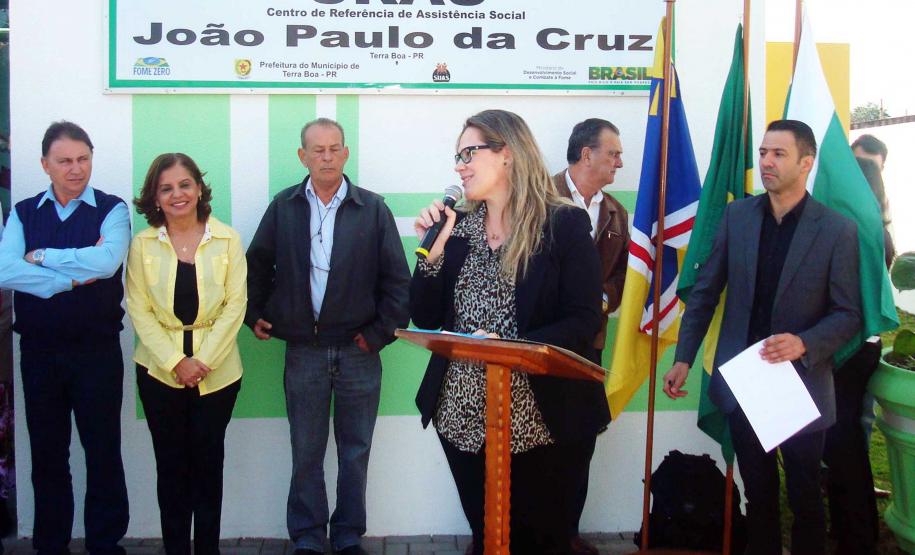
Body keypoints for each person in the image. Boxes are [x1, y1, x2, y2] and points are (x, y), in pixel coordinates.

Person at [411, 109, 609, 555]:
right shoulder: (456, 227)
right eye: (457, 155)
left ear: (508, 154)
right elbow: (424, 316)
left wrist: (512, 348)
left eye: (469, 152)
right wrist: (432, 252)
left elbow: (583, 320)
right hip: (462, 417)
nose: (459, 165)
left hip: (544, 419)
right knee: (488, 538)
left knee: (542, 541)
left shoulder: (563, 225)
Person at [662, 119, 862, 555]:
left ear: (806, 163)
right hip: (745, 384)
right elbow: (706, 292)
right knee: (760, 496)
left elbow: (850, 314)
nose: (766, 162)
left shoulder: (837, 230)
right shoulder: (738, 216)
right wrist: (684, 357)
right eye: (763, 152)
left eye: (779, 154)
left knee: (807, 499)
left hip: (802, 386)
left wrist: (805, 342)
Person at [246, 118, 410, 555]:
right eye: (317, 150)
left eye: (334, 148)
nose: (326, 157)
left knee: (355, 451)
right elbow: (256, 266)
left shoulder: (373, 209)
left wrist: (377, 336)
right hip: (304, 350)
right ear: (302, 156)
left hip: (359, 350)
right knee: (306, 451)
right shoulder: (283, 207)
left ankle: (349, 534)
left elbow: (398, 282)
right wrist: (253, 313)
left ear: (346, 153)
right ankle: (307, 536)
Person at [0, 121, 130, 554]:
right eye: (65, 161)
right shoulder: (23, 212)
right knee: (48, 455)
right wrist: (71, 280)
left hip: (97, 351)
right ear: (45, 165)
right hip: (38, 352)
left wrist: (42, 259)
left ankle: (104, 544)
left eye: (83, 159)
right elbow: (7, 271)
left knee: (103, 452)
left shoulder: (112, 210)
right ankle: (51, 544)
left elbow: (108, 262)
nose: (76, 169)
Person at [126, 153, 246, 555]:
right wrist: (177, 362)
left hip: (219, 374)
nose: (177, 194)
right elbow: (139, 310)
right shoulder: (142, 245)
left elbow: (235, 307)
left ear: (199, 188)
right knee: (172, 468)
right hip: (160, 373)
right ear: (155, 198)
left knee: (208, 467)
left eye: (184, 184)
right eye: (166, 188)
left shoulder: (227, 239)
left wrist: (202, 361)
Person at [552, 117, 629, 555]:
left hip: (588, 346)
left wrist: (600, 299)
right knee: (530, 444)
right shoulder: (536, 197)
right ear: (586, 154)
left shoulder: (616, 212)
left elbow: (620, 277)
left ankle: (567, 535)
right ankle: (513, 534)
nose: (620, 161)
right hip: (538, 343)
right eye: (613, 152)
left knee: (579, 443)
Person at [821, 156, 895, 555]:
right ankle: (849, 527)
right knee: (844, 443)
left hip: (851, 349)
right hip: (861, 347)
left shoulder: (859, 231)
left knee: (843, 443)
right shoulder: (875, 230)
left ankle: (856, 534)